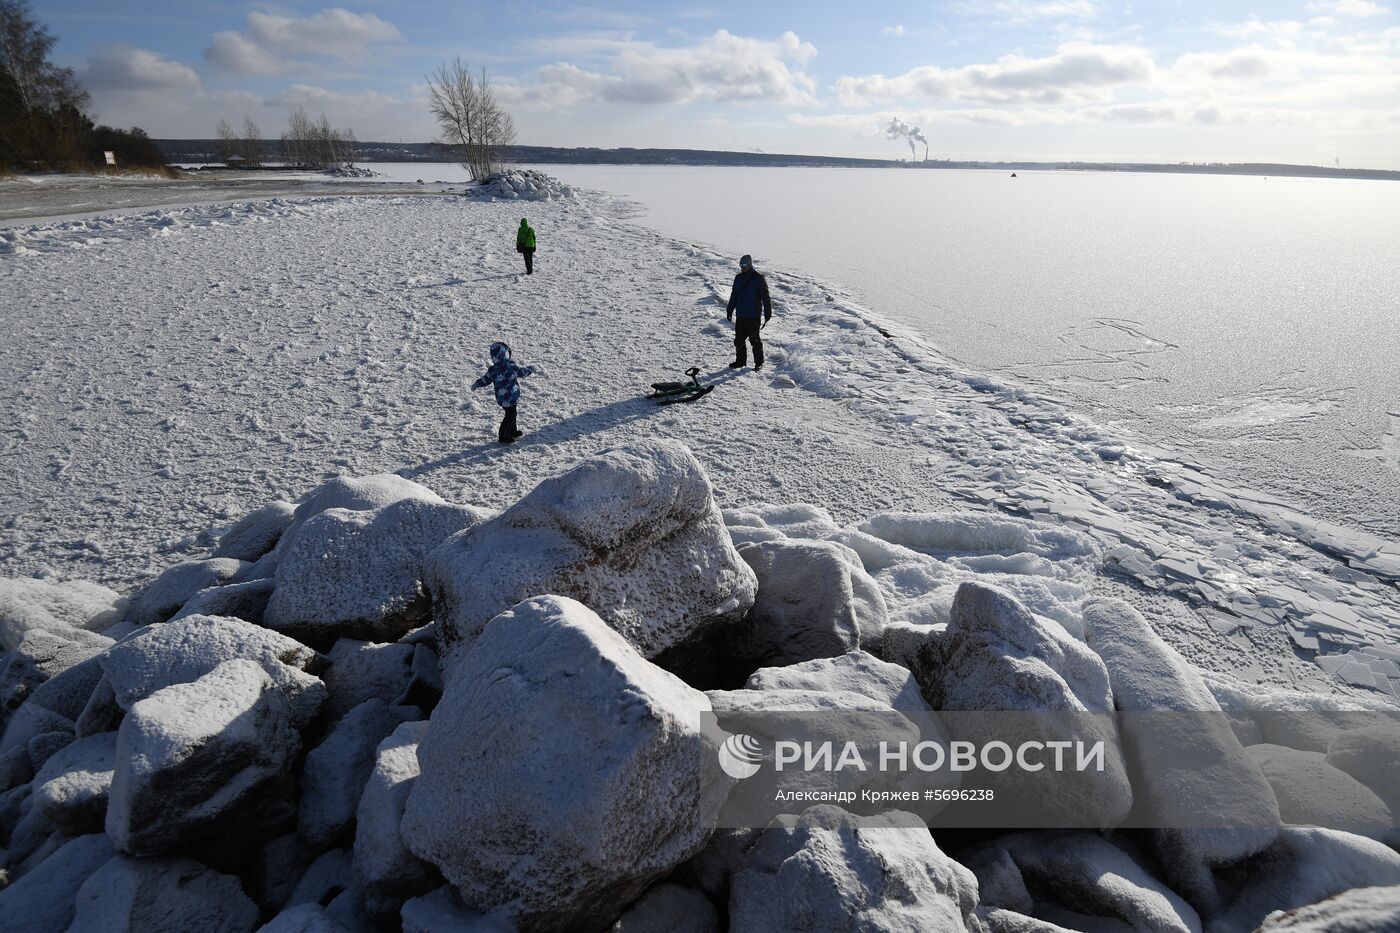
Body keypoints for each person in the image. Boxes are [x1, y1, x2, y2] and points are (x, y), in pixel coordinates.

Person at [472, 341, 536, 443]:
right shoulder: (511, 368)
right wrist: (531, 369)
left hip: (502, 398)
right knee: (510, 416)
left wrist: (477, 384)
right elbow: (522, 372)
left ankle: (512, 432)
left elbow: (486, 380)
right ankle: (503, 436)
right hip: (511, 397)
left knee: (512, 414)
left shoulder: (493, 370)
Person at [725, 254, 772, 369]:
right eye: (740, 265)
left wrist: (767, 313)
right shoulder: (738, 278)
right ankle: (740, 361)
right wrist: (730, 309)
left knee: (754, 341)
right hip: (741, 315)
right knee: (739, 340)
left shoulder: (758, 279)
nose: (742, 267)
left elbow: (765, 297)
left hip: (753, 316)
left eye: (744, 265)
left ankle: (759, 363)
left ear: (750, 264)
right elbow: (734, 295)